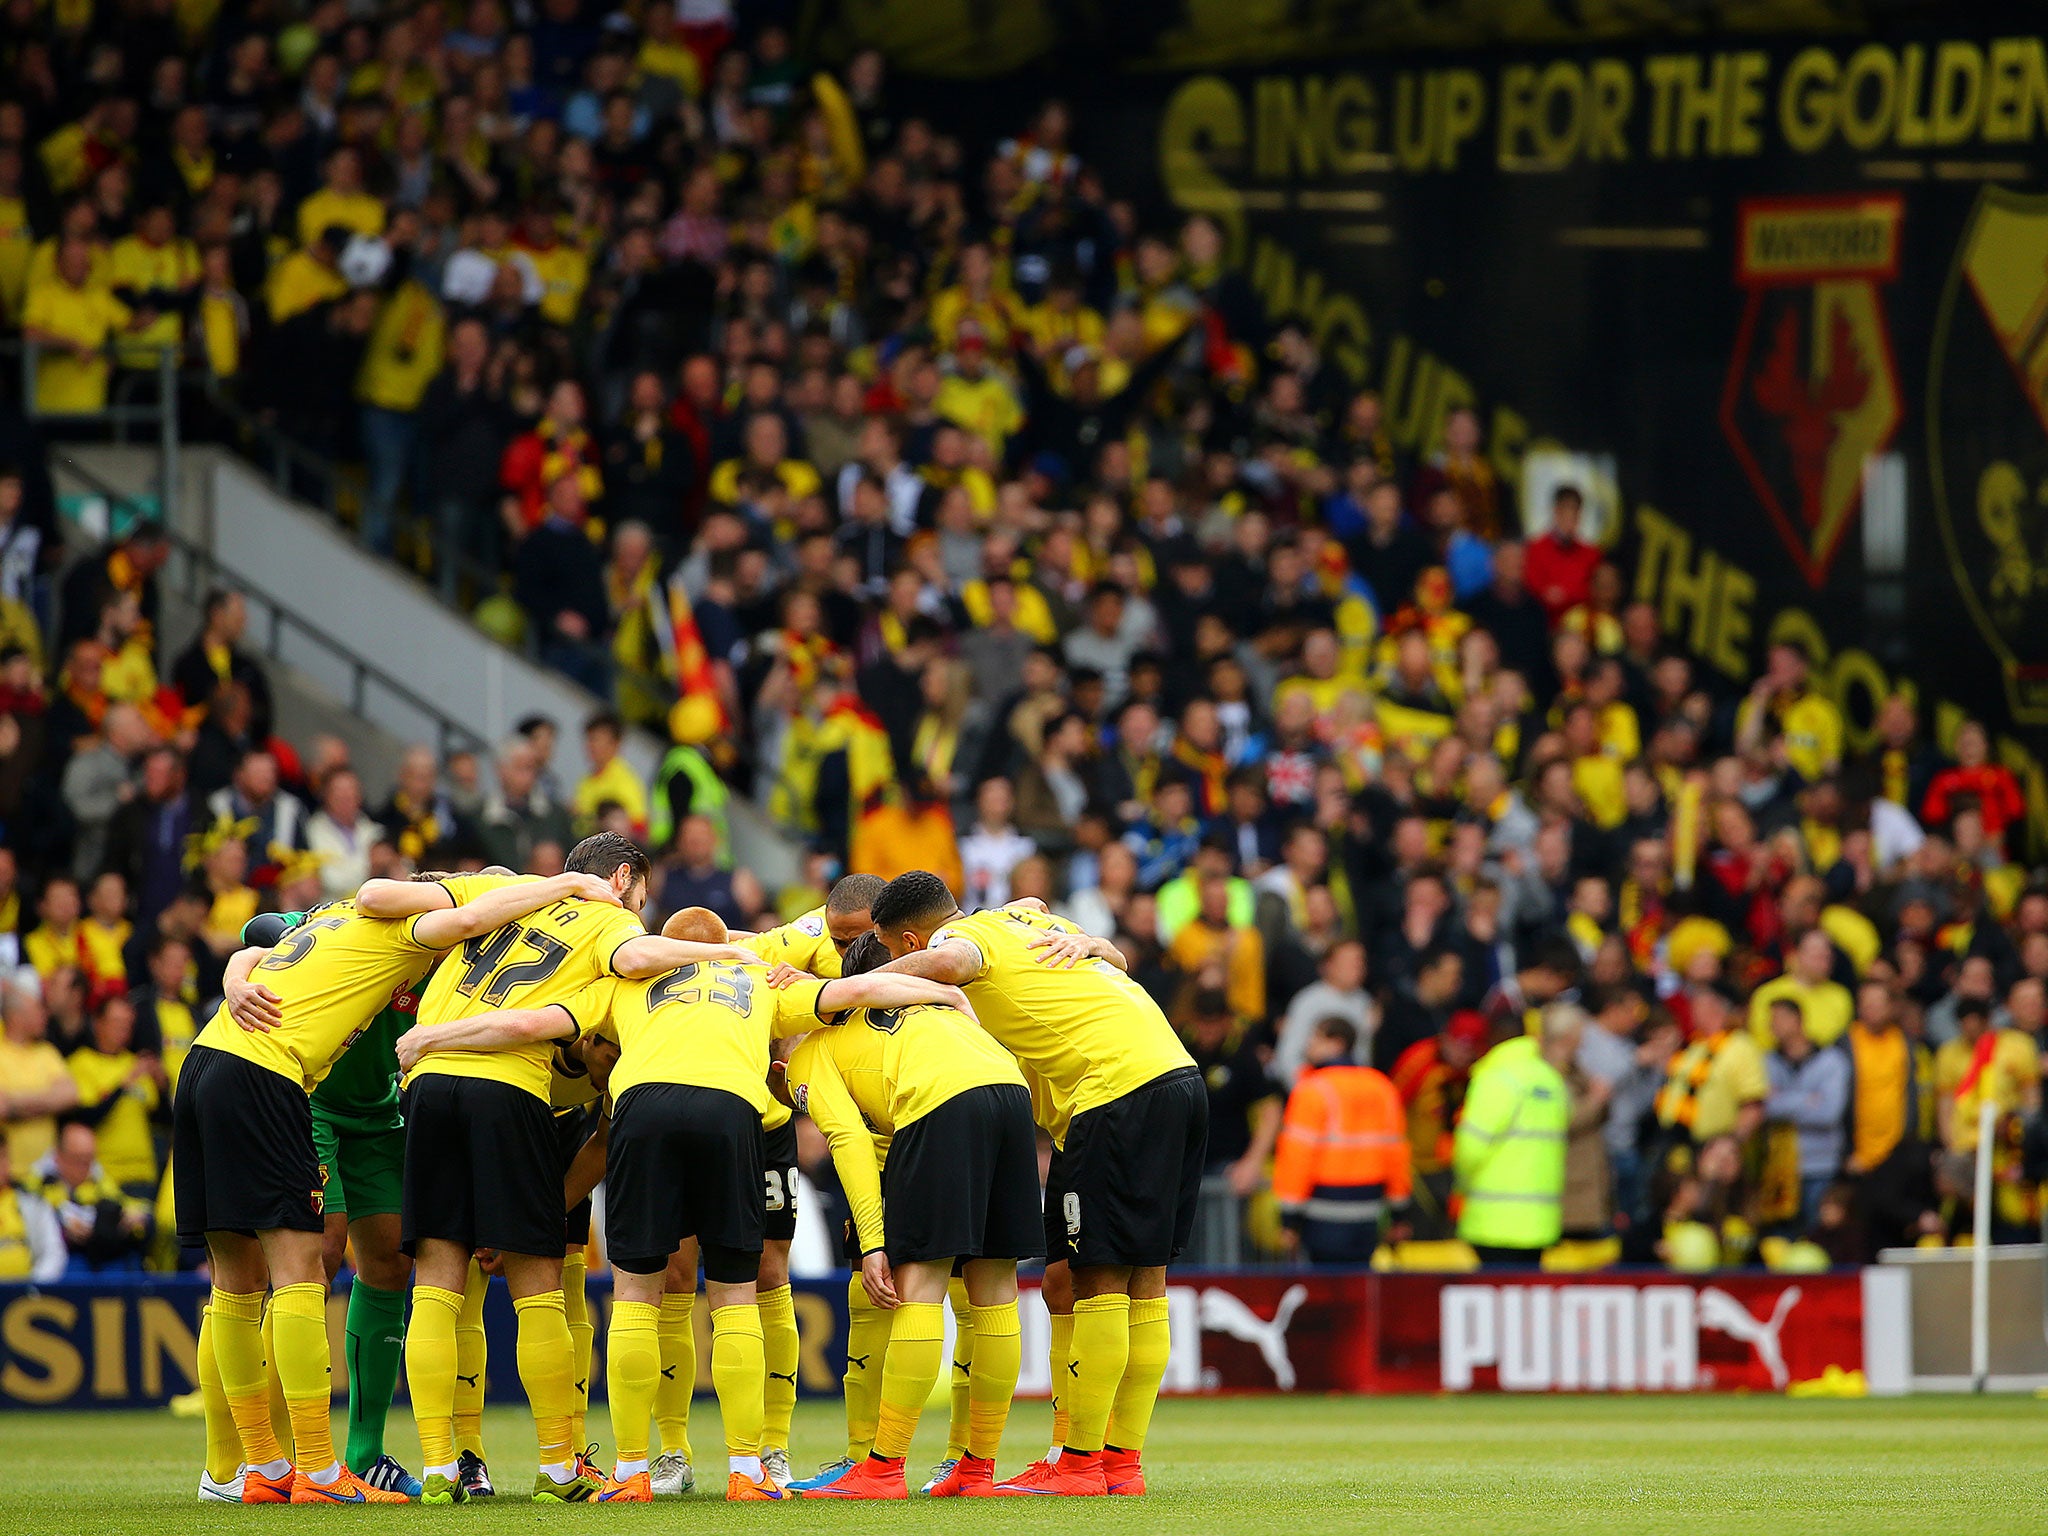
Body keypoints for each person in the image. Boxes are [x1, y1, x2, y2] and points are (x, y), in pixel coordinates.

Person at [173, 865, 621, 1505]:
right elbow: (385, 909)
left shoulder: (395, 938)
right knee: (304, 1265)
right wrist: (565, 883)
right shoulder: (412, 925)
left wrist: (235, 977)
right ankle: (296, 1471)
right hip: (287, 1083)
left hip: (229, 1067)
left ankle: (277, 1468)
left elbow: (264, 947)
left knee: (277, 1273)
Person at [389, 834, 749, 1504]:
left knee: (439, 1279)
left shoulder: (509, 900)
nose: (642, 908)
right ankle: (559, 1467)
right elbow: (638, 952)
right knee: (540, 1283)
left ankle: (441, 1465)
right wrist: (730, 951)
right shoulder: (608, 919)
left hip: (433, 1085)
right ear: (623, 878)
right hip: (509, 1088)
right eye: (642, 895)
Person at [870, 871, 1205, 1497]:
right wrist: (1105, 946)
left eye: (892, 951)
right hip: (1174, 1077)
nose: (897, 966)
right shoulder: (1025, 924)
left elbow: (951, 958)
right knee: (1107, 1280)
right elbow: (1093, 943)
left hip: (1116, 1092)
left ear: (910, 938)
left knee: (1100, 1279)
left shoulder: (967, 940)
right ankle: (1105, 1461)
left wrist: (851, 988)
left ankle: (1084, 1463)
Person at [778, 931, 1043, 1499]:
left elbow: (847, 1139)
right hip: (1008, 1087)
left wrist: (873, 1245)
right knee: (995, 1286)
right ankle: (976, 1471)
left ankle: (883, 1469)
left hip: (938, 1101)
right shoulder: (935, 1003)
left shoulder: (813, 1050)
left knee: (918, 1284)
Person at [238, 907, 425, 1496]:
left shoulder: (459, 960)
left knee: (393, 1261)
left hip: (379, 1117)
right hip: (310, 1099)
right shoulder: (362, 921)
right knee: (316, 1259)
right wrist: (235, 980)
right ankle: (278, 1456)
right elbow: (258, 932)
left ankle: (363, 1451)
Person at [1271, 1017, 1409, 1263]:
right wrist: (1400, 1214)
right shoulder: (1381, 1087)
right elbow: (1396, 1153)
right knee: (1360, 1285)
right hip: (1369, 1213)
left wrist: (1288, 1219)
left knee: (1325, 1291)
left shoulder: (1312, 1090)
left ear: (1337, 1043)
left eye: (1316, 1037)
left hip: (1323, 1213)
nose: (1308, 1044)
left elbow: (1297, 1157)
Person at [1454, 1004, 1570, 1266]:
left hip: (1493, 1221)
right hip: (1542, 1221)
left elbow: (1470, 1149)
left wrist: (1460, 1184)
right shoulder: (1550, 1079)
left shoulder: (1496, 1077)